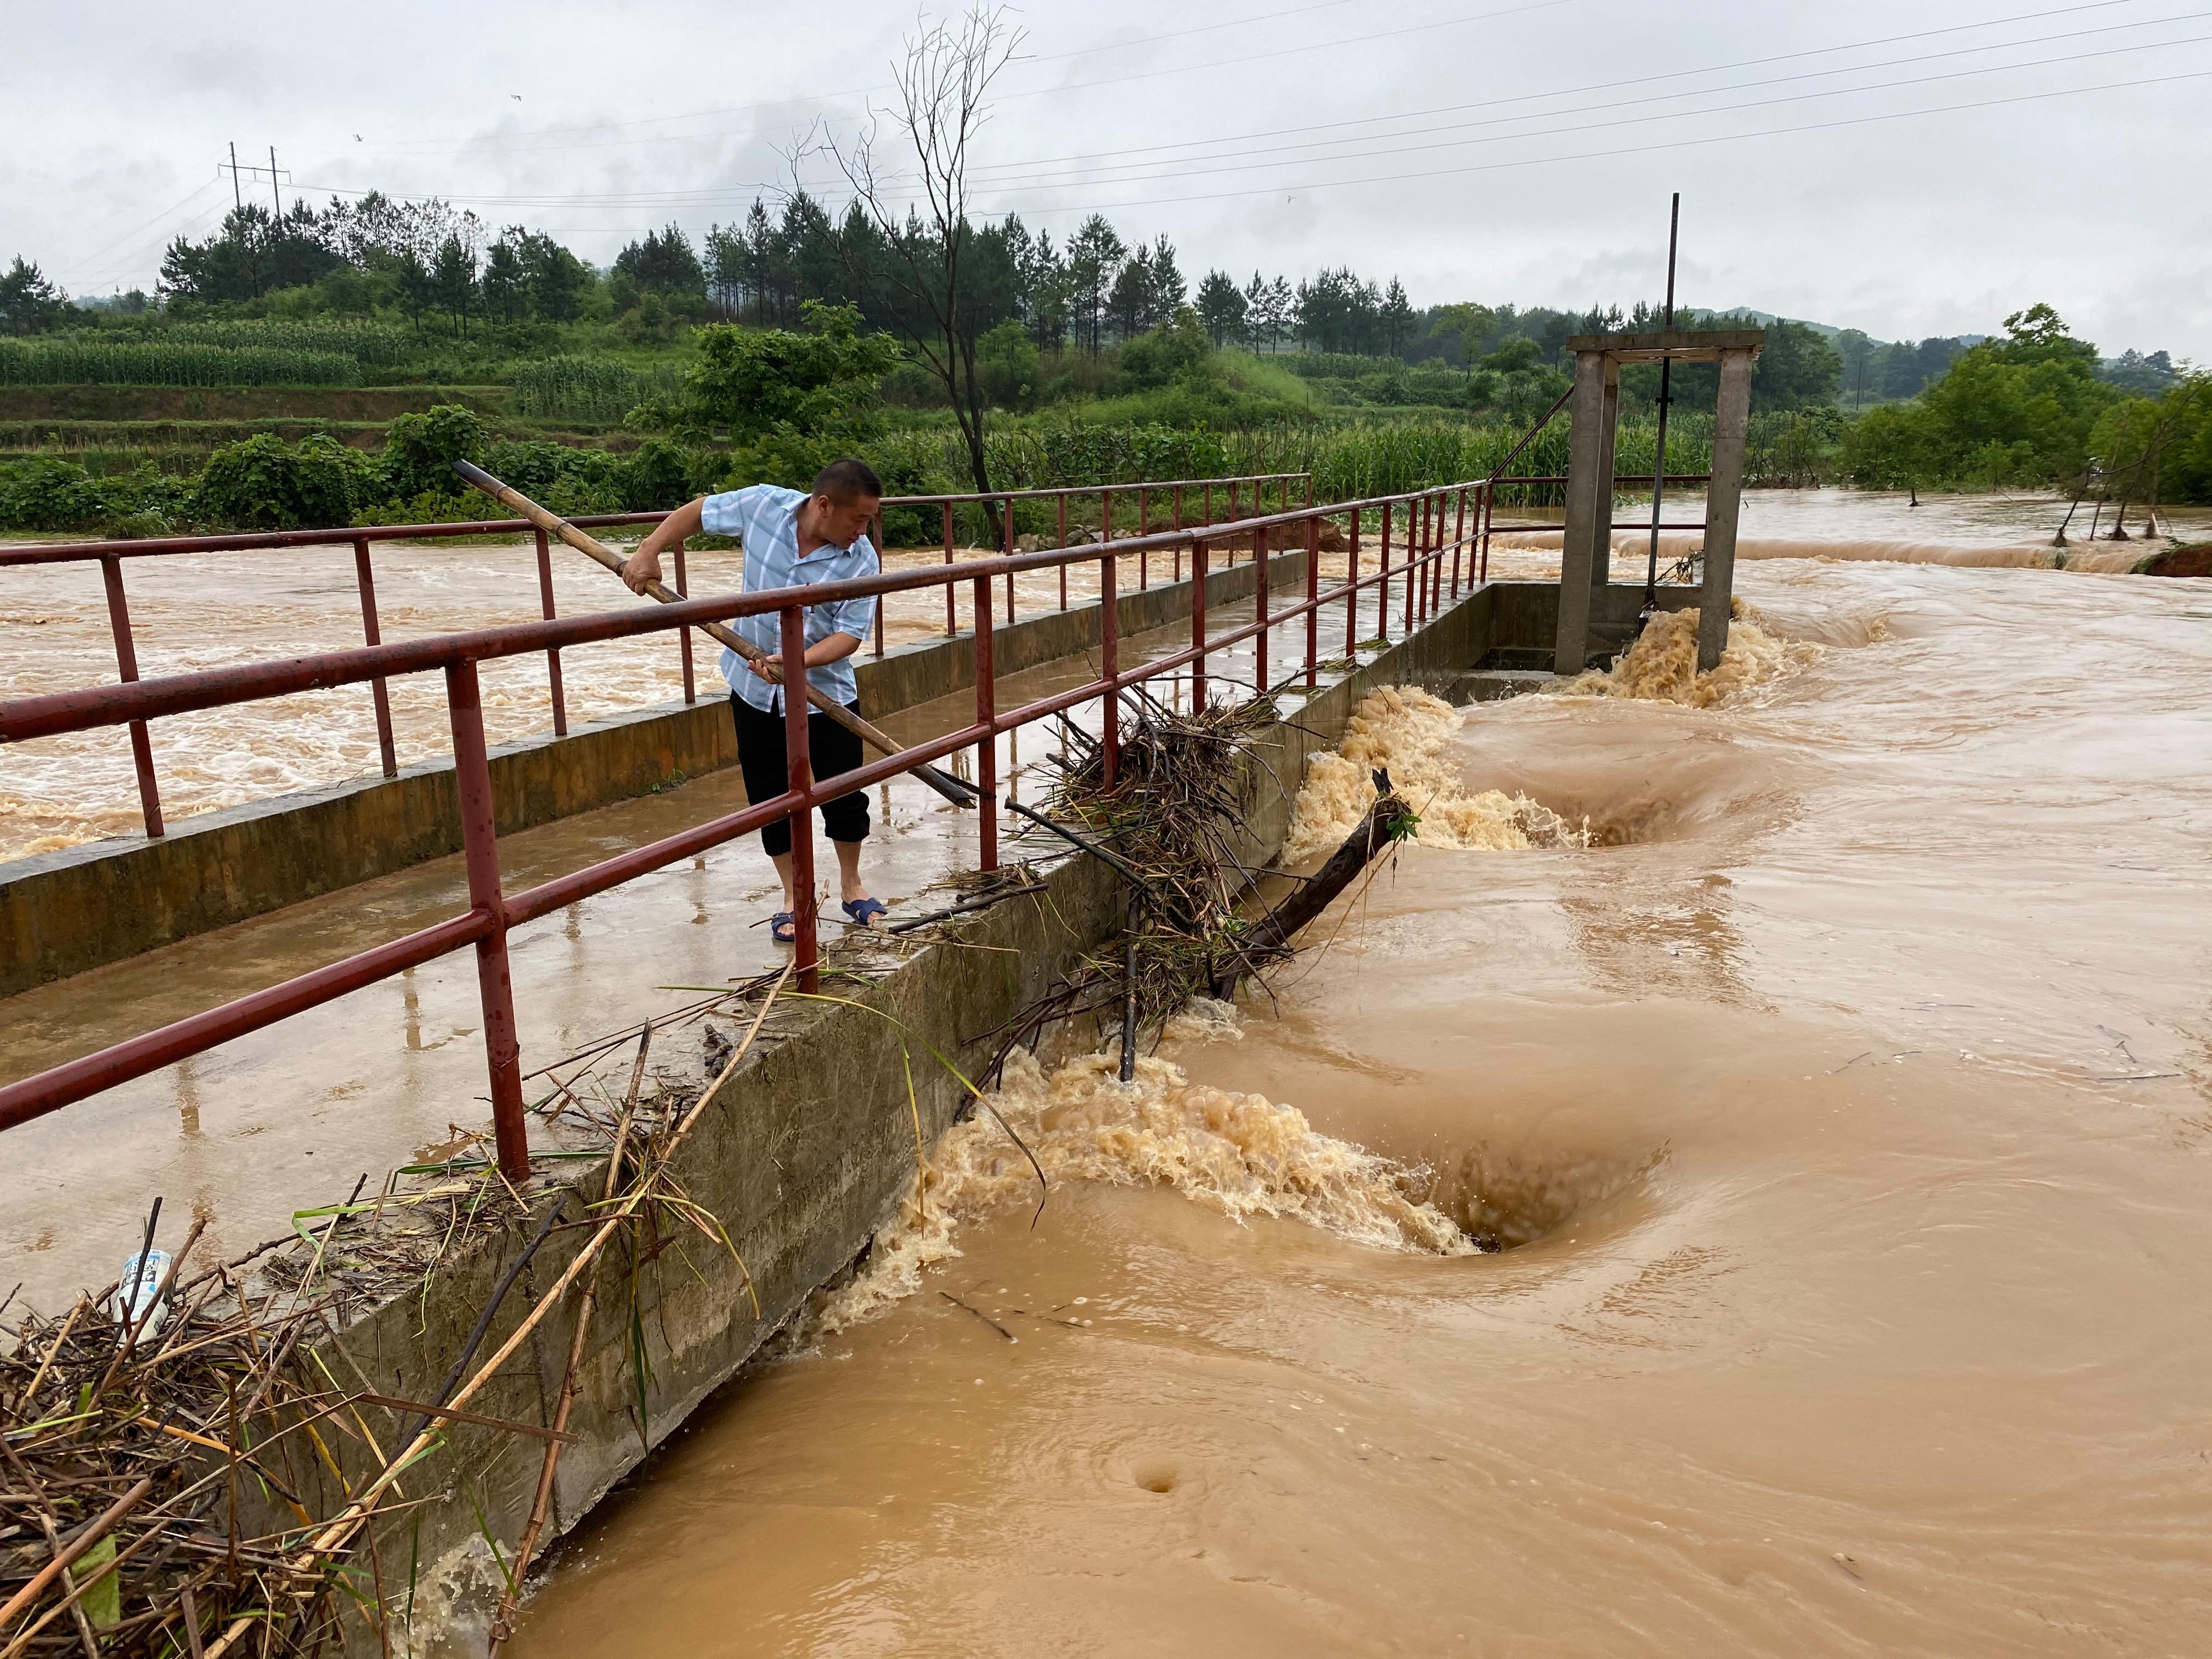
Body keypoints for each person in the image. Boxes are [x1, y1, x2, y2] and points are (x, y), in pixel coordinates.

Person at [620, 459, 889, 942]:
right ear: (823, 505)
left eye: (869, 519)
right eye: (858, 518)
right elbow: (700, 512)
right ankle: (793, 896)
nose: (863, 529)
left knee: (846, 794)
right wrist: (649, 550)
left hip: (824, 693)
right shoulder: (764, 504)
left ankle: (851, 885)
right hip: (754, 691)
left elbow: (850, 636)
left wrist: (795, 662)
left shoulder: (862, 559)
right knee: (771, 799)